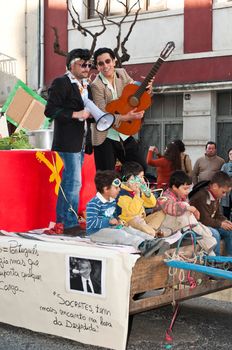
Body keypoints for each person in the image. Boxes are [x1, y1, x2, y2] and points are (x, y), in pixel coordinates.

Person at [44, 48, 93, 235]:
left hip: (80, 142)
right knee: (73, 183)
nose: (87, 68)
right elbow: (50, 111)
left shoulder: (85, 85)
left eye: (89, 65)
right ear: (71, 64)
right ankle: (69, 222)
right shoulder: (61, 82)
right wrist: (76, 114)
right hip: (67, 141)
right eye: (83, 64)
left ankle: (64, 221)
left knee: (71, 183)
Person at [86, 170, 169, 257]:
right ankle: (143, 245)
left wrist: (118, 222)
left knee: (129, 230)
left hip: (112, 228)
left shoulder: (112, 201)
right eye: (116, 188)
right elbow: (91, 223)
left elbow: (114, 216)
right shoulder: (94, 203)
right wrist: (108, 222)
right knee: (121, 234)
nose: (119, 190)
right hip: (97, 233)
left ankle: (153, 241)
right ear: (106, 189)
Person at [91, 47, 148, 171]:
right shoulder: (96, 85)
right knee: (106, 177)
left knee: (140, 168)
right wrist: (127, 117)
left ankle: (126, 189)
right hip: (105, 136)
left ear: (114, 61)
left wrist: (147, 88)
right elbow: (102, 113)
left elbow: (135, 93)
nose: (105, 66)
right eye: (101, 63)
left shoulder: (122, 73)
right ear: (97, 66)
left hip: (124, 133)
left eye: (108, 61)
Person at [157, 170, 217, 255]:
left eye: (189, 188)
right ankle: (211, 253)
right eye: (185, 188)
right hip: (163, 230)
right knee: (185, 209)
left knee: (211, 234)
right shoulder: (165, 197)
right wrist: (188, 207)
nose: (187, 191)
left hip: (180, 227)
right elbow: (170, 208)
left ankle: (212, 257)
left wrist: (190, 209)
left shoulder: (181, 198)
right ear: (174, 187)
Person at [116, 161, 165, 236]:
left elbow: (152, 203)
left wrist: (147, 192)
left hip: (141, 220)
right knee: (137, 221)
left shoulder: (138, 189)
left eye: (143, 177)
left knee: (161, 213)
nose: (143, 180)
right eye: (140, 177)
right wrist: (137, 194)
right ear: (130, 179)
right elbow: (132, 213)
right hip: (129, 222)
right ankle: (151, 233)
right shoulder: (121, 193)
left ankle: (150, 231)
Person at [189, 171, 232, 256]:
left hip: (208, 224)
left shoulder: (216, 195)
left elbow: (217, 214)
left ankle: (229, 259)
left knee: (230, 231)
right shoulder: (202, 195)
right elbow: (204, 220)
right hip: (196, 226)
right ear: (215, 186)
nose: (224, 195)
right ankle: (215, 262)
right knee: (215, 234)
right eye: (223, 192)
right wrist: (221, 224)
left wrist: (225, 221)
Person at [221, 147, 232, 220]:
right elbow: (221, 178)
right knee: (226, 213)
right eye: (230, 154)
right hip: (227, 192)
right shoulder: (225, 166)